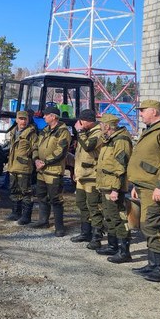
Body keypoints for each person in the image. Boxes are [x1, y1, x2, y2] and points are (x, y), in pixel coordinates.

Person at [128, 99, 160, 281]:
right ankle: (152, 265)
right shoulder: (150, 130)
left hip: (153, 187)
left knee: (153, 226)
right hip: (143, 186)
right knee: (147, 226)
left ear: (154, 111)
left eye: (143, 111)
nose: (140, 114)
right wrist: (136, 185)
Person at [95, 113, 134, 262]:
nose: (100, 126)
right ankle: (113, 246)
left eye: (102, 124)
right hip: (106, 183)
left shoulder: (121, 140)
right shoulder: (109, 139)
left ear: (108, 126)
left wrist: (115, 189)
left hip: (113, 185)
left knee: (118, 217)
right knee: (109, 216)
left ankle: (124, 251)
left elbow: (121, 166)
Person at [33, 105, 71, 236]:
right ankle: (43, 220)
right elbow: (36, 146)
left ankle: (59, 227)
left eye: (46, 115)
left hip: (53, 171)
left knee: (56, 199)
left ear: (53, 117)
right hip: (41, 171)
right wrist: (36, 159)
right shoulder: (44, 130)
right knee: (41, 195)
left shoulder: (63, 132)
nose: (43, 117)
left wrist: (46, 161)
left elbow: (61, 151)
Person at [71, 109, 104, 246]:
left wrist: (80, 132)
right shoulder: (87, 132)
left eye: (81, 121)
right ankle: (85, 232)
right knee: (81, 203)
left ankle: (97, 236)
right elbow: (79, 154)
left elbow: (89, 146)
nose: (79, 123)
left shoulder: (98, 133)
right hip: (82, 175)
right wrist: (75, 171)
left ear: (87, 121)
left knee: (93, 206)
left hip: (92, 176)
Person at [5, 110, 38, 223]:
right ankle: (15, 212)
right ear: (17, 120)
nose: (23, 121)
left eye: (25, 119)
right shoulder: (13, 131)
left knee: (26, 192)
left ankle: (26, 216)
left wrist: (36, 161)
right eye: (21, 119)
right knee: (14, 190)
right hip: (13, 166)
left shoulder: (31, 133)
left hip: (24, 167)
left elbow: (35, 149)